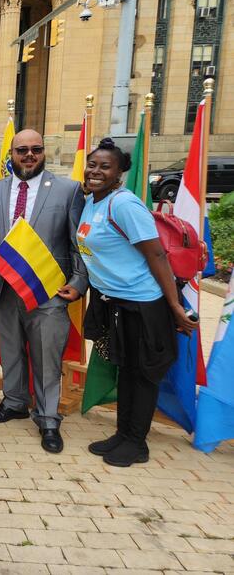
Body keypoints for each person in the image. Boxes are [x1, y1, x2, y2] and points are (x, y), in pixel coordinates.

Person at [78, 139, 197, 467]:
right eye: (93, 164)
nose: (96, 171)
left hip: (143, 304)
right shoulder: (93, 201)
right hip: (115, 302)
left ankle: (137, 443)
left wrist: (173, 306)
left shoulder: (124, 204)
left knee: (142, 374)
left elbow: (156, 254)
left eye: (105, 166)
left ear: (119, 173)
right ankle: (123, 434)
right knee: (126, 370)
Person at [0, 129, 87, 453]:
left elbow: (80, 242)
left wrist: (78, 282)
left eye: (36, 149)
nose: (29, 155)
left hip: (48, 289)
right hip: (4, 288)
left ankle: (48, 419)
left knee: (46, 356)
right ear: (11, 153)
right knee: (11, 351)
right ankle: (15, 402)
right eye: (22, 150)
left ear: (44, 151)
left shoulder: (67, 190)